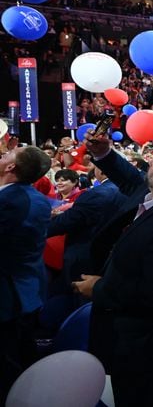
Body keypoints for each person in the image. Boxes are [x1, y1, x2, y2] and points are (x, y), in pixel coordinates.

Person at [73, 146, 153, 407]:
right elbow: (130, 177)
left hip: (145, 345)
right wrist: (104, 153)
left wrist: (99, 288)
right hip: (139, 339)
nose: (149, 163)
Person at [0, 146, 51, 403]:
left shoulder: (8, 202)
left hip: (7, 297)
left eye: (7, 155)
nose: (3, 154)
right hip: (28, 291)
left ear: (11, 168)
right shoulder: (38, 199)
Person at [47, 165, 126, 293]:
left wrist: (40, 228)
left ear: (101, 171)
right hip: (107, 254)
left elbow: (69, 221)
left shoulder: (97, 193)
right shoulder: (127, 190)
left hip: (84, 254)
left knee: (77, 298)